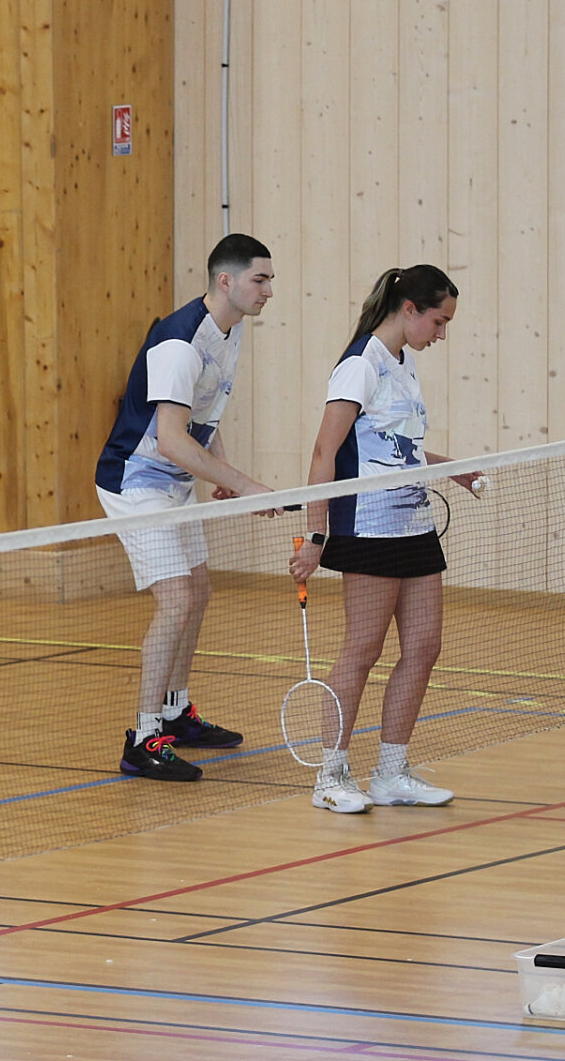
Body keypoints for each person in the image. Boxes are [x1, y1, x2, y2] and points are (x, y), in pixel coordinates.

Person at [288, 264, 480, 814]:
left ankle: (391, 773)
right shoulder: (359, 366)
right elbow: (325, 452)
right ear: (410, 309)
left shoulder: (403, 362)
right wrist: (316, 534)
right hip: (367, 528)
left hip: (414, 524)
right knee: (363, 650)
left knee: (424, 647)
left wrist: (452, 469)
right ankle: (330, 776)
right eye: (439, 322)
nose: (441, 334)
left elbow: (399, 449)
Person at [95, 234, 276, 782]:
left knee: (198, 590)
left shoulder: (231, 329)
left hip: (174, 481)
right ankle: (143, 738)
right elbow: (171, 440)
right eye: (260, 279)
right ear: (226, 280)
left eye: (269, 280)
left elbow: (204, 413)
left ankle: (175, 712)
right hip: (135, 481)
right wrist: (242, 483)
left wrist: (220, 470)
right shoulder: (179, 343)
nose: (269, 291)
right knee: (176, 599)